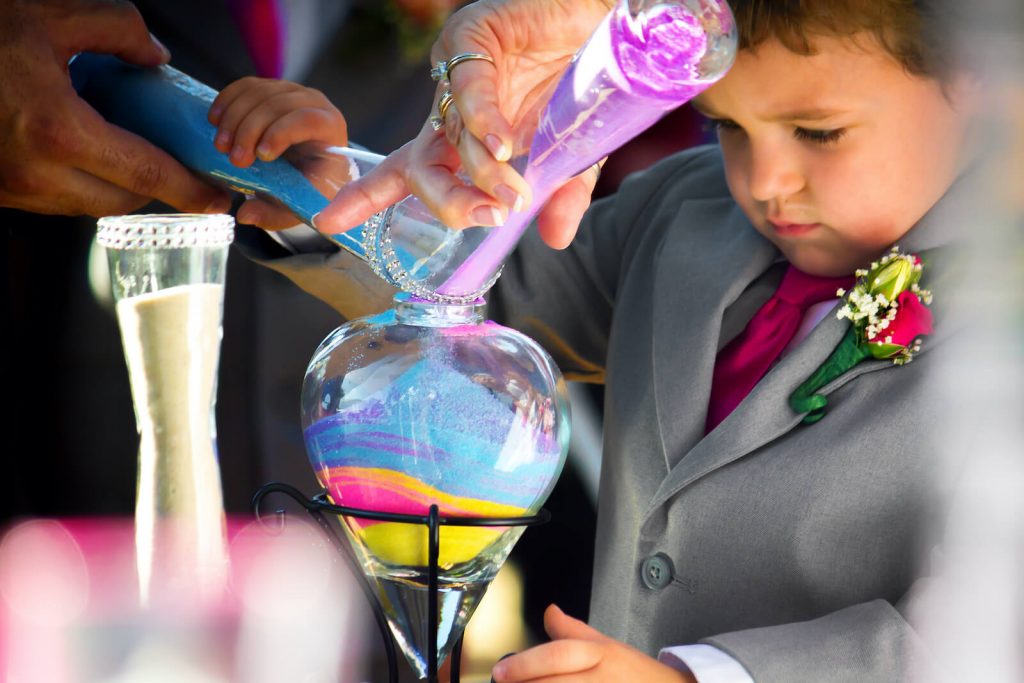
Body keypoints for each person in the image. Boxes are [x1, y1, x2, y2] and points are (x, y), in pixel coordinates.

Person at [218, 0, 983, 680]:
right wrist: (317, 193)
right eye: (729, 127)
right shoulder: (687, 208)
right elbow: (484, 282)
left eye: (819, 132)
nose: (768, 179)